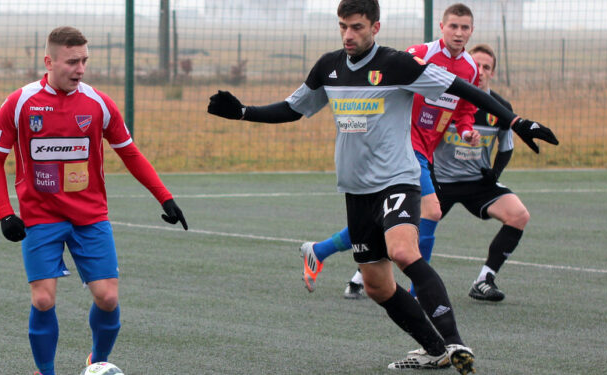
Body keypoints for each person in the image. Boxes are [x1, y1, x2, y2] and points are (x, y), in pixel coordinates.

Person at [207, 0, 556, 372]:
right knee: (376, 285)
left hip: (398, 180)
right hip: (356, 191)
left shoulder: (397, 64)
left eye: (356, 27)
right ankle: (434, 350)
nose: (348, 35)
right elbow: (294, 108)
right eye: (343, 26)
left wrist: (515, 120)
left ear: (376, 27)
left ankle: (456, 343)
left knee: (404, 252)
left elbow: (463, 88)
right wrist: (244, 112)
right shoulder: (329, 67)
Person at [0, 26, 188, 375]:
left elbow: (131, 154)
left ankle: (98, 361)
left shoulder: (98, 103)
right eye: (72, 61)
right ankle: (45, 372)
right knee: (43, 298)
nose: (80, 69)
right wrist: (6, 214)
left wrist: (164, 197)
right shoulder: (19, 103)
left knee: (108, 298)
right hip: (40, 217)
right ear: (49, 61)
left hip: (90, 216)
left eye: (85, 61)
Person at [299, 3, 483, 299]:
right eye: (453, 26)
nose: (459, 33)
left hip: (426, 151)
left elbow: (464, 109)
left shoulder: (470, 69)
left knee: (386, 222)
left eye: (464, 28)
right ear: (442, 27)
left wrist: (464, 130)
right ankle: (416, 292)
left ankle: (320, 251)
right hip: (405, 147)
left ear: (472, 31)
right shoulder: (418, 55)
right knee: (432, 211)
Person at [433, 43, 527, 301]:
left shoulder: (500, 106)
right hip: (440, 181)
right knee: (406, 226)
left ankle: (484, 279)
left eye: (487, 67)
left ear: (493, 73)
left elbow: (506, 147)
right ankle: (364, 275)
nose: (481, 71)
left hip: (478, 183)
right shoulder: (446, 99)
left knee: (518, 215)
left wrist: (494, 173)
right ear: (469, 68)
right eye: (477, 66)